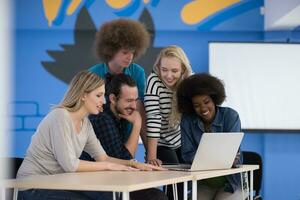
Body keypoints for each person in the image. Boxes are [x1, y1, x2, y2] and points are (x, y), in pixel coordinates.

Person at [16, 71, 163, 200]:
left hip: (57, 182)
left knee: (108, 196)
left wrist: (133, 164)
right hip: (33, 186)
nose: (103, 101)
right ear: (83, 95)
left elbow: (103, 157)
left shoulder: (85, 124)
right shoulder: (60, 116)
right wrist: (108, 166)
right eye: (98, 95)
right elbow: (70, 165)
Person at [88, 74, 167, 200]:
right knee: (156, 197)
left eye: (135, 100)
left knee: (157, 195)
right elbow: (124, 160)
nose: (134, 107)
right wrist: (137, 124)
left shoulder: (121, 115)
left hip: (113, 181)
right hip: (96, 186)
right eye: (129, 101)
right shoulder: (102, 119)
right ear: (113, 99)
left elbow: (126, 160)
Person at [176, 73, 244, 200]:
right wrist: (221, 158)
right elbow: (186, 154)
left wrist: (205, 158)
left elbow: (234, 155)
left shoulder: (230, 116)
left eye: (206, 102)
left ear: (214, 99)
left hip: (230, 184)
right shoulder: (187, 121)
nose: (203, 108)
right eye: (196, 105)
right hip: (202, 183)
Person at [89, 18, 150, 148]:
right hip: (96, 141)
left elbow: (140, 112)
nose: (130, 57)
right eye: (125, 52)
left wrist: (149, 153)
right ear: (110, 50)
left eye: (132, 52)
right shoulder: (93, 74)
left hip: (126, 139)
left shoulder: (137, 72)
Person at [144, 45, 192, 200]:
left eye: (174, 71)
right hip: (161, 142)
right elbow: (153, 118)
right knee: (175, 180)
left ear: (183, 69)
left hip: (180, 140)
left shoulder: (189, 80)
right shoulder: (153, 81)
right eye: (164, 69)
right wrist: (151, 156)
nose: (168, 75)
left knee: (188, 179)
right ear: (158, 66)